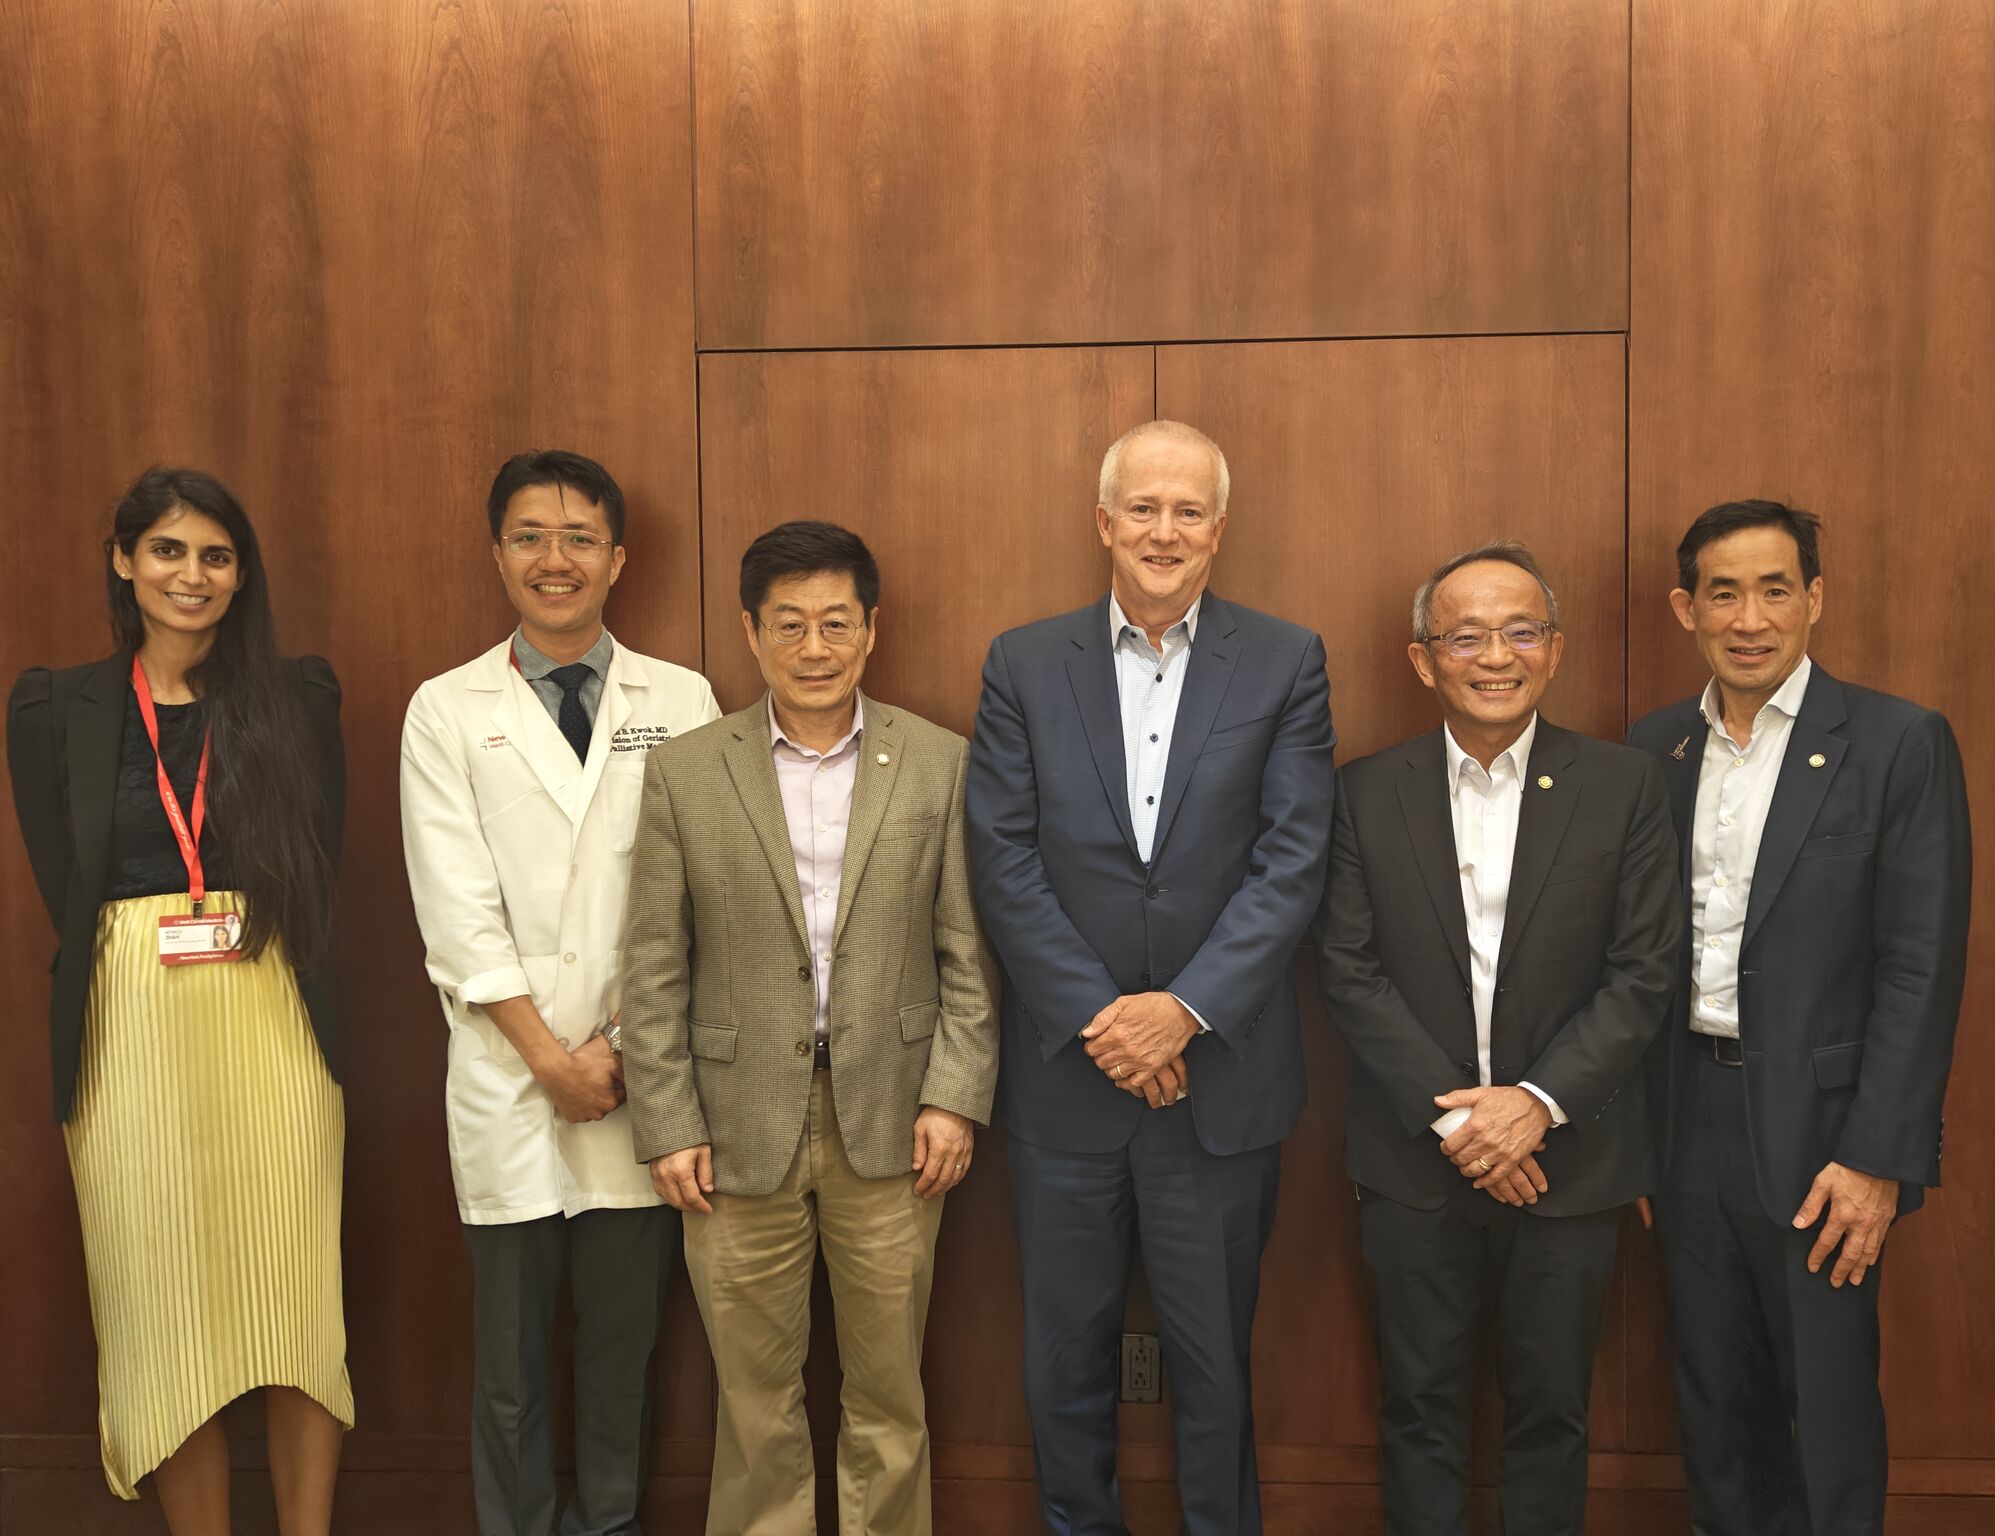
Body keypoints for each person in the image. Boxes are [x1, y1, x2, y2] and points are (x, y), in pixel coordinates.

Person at [965, 420, 1334, 1535]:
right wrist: (1100, 1019)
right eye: (1141, 508)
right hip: (1068, 1089)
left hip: (1218, 1083)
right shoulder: (1024, 663)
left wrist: (1178, 1013)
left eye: (1186, 511)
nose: (1162, 531)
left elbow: (1291, 858)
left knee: (1215, 1361)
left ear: (1217, 530)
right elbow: (1002, 855)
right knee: (1060, 1361)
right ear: (1103, 524)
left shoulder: (1284, 660)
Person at [621, 520, 997, 1536]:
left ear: (871, 631)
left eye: (836, 622)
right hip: (732, 1128)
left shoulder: (939, 763)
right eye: (790, 625)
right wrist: (664, 1122)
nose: (815, 647)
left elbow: (967, 955)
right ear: (751, 634)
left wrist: (953, 1097)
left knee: (888, 1399)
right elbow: (653, 963)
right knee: (752, 1406)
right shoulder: (688, 771)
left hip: (892, 1124)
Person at [1313, 541, 1683, 1536]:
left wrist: (1532, 1107)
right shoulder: (1360, 791)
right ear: (1421, 659)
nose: (1493, 655)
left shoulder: (1624, 786)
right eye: (1463, 634)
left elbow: (1642, 971)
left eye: (1519, 631)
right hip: (1410, 1164)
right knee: (1417, 1410)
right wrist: (1463, 1129)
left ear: (1553, 649)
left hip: (1572, 1159)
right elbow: (1347, 970)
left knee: (1551, 1415)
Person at [7, 467, 352, 1534]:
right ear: (123, 560)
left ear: (240, 576)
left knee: (295, 1303)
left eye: (214, 555)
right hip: (128, 1025)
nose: (190, 575)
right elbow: (64, 876)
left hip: (271, 1018)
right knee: (161, 1313)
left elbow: (320, 864)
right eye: (167, 550)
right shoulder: (52, 704)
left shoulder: (298, 699)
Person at [1629, 500, 1971, 1536]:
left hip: (1824, 1138)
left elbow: (1921, 964)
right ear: (1685, 608)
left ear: (1812, 599)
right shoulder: (1652, 749)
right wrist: (1635, 1142)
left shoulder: (1893, 741)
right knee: (1712, 1406)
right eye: (1722, 592)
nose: (1748, 617)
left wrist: (1877, 1156)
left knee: (1819, 1412)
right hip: (1683, 1116)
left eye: (1774, 589)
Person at [398, 450, 719, 1536]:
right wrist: (549, 1057)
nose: (554, 558)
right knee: (510, 1367)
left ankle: (612, 1523)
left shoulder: (680, 699)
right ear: (497, 554)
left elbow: (696, 895)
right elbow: (455, 909)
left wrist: (622, 1048)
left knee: (622, 1355)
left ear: (618, 559)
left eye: (579, 537)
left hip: (639, 1074)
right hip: (511, 1075)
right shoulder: (446, 711)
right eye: (530, 536)